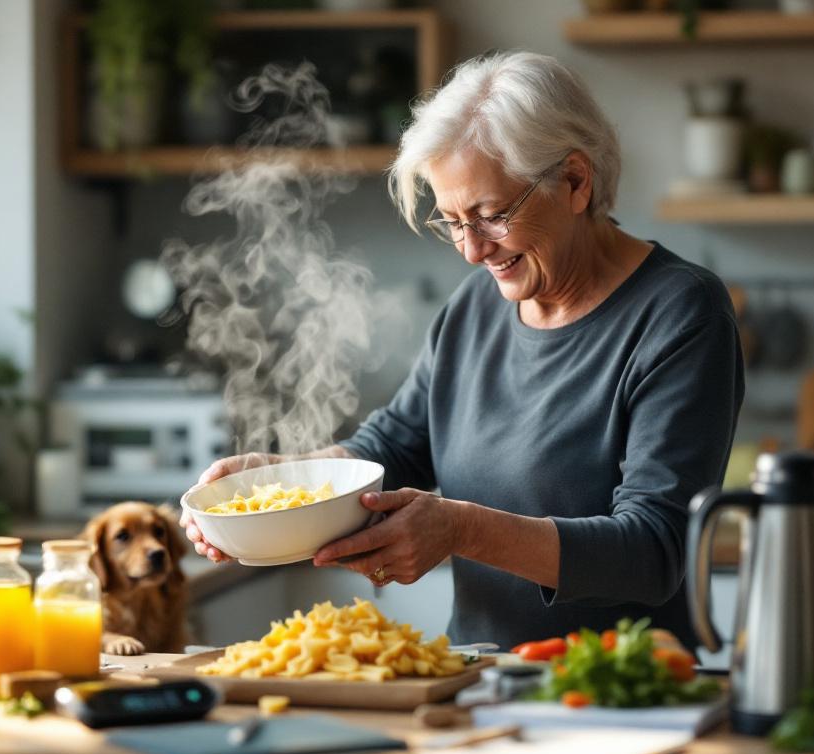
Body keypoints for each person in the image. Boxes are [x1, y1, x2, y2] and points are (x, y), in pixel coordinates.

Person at [180, 51, 744, 650]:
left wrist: (459, 529)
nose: (473, 250)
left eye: (492, 216)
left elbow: (654, 549)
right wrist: (280, 486)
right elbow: (393, 445)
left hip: (622, 692)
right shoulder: (476, 307)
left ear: (576, 181)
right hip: (482, 683)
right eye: (451, 221)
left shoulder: (681, 313)